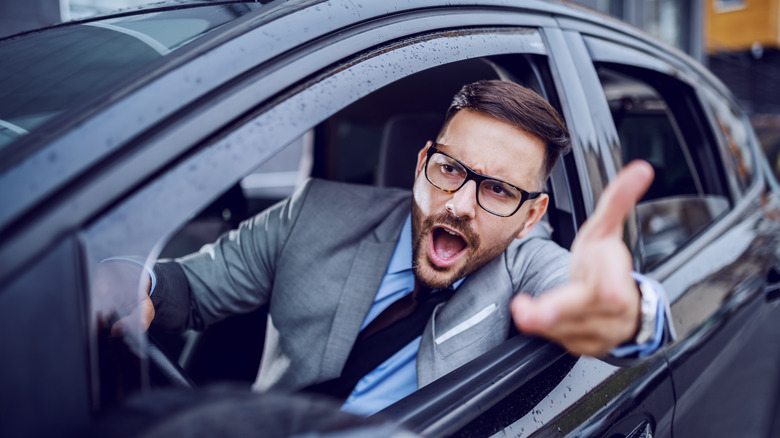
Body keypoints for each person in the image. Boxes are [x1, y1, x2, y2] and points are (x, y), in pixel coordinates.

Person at [113, 80, 667, 416]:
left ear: (531, 215)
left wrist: (631, 312)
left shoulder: (528, 266)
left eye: (499, 189)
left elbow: (595, 301)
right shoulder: (315, 213)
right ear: (422, 161)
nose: (461, 205)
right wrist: (136, 283)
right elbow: (189, 287)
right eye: (450, 170)